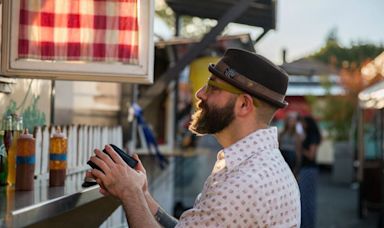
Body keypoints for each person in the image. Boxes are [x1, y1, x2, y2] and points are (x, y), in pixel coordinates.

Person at [87, 48, 301, 227]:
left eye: (213, 87)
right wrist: (143, 196)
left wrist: (129, 192)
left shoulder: (243, 184)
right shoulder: (260, 165)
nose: (200, 93)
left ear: (244, 105)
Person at [298, 115, 322, 228]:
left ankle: (307, 224)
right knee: (306, 199)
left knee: (307, 199)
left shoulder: (311, 136)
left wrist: (301, 148)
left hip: (309, 169)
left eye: (303, 122)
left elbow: (311, 155)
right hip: (308, 169)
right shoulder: (311, 135)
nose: (302, 125)